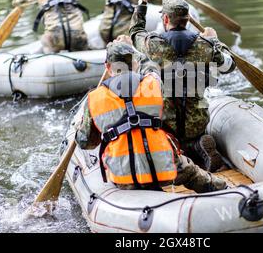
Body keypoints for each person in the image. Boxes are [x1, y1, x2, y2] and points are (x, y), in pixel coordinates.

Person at [74, 41, 227, 193]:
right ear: (134, 64)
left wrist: (80, 128)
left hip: (125, 175)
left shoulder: (94, 98)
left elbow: (85, 142)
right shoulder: (153, 83)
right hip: (164, 168)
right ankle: (223, 188)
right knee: (190, 172)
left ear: (107, 67)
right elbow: (150, 69)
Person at [129, 0, 236, 173]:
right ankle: (197, 146)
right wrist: (216, 41)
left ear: (166, 19)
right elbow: (229, 66)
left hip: (166, 122)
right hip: (196, 122)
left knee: (166, 142)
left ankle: (174, 152)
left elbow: (135, 31)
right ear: (187, 20)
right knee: (194, 136)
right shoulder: (205, 46)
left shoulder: (153, 45)